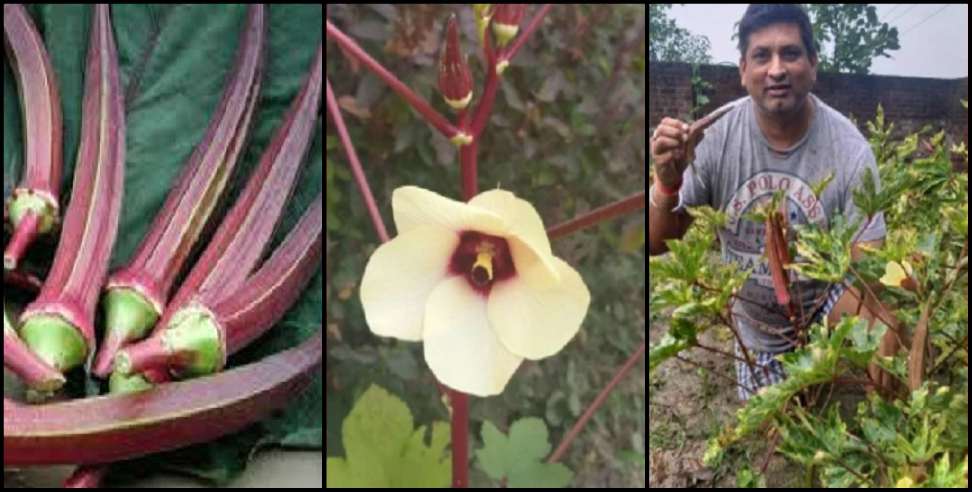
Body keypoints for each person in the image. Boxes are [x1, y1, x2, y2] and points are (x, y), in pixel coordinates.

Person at [648, 4, 896, 401]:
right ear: (743, 70)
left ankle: (886, 427)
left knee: (889, 326)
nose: (777, 69)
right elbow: (654, 242)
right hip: (756, 322)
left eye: (791, 53)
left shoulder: (850, 150)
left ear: (813, 65)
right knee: (776, 429)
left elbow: (868, 269)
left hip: (823, 302)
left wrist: (870, 327)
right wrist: (667, 182)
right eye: (762, 55)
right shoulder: (713, 139)